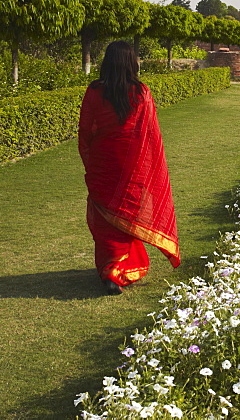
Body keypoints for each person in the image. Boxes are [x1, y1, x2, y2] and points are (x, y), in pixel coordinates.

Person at [78, 41, 180, 295]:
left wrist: (92, 162)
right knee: (128, 212)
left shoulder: (94, 91)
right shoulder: (140, 92)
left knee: (107, 217)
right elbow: (150, 135)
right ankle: (117, 270)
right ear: (132, 63)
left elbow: (86, 132)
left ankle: (109, 270)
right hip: (133, 164)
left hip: (104, 162)